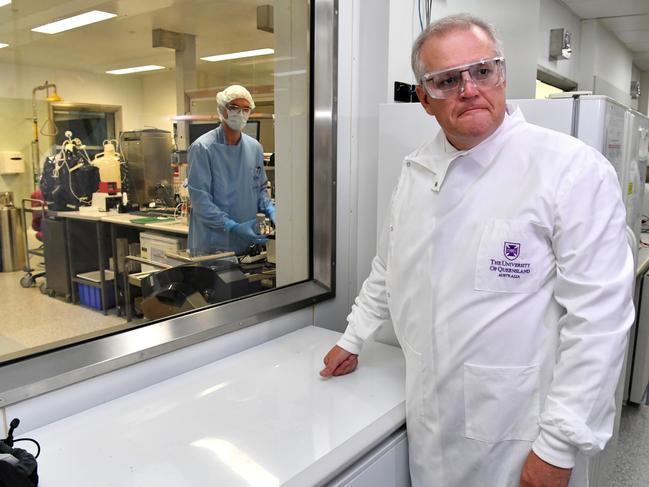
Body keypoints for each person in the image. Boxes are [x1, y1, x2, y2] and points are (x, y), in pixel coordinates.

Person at [320, 13, 634, 487]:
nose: (468, 88)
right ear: (424, 100)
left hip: (521, 432)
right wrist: (354, 335)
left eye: (482, 71)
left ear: (502, 75)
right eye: (447, 80)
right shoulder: (418, 170)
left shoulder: (568, 169)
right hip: (430, 421)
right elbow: (390, 264)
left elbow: (599, 321)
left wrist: (558, 446)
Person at [187, 84, 275, 254]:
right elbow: (200, 201)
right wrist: (232, 226)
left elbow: (261, 189)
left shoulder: (254, 147)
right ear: (223, 110)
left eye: (245, 108)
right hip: (212, 244)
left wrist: (271, 209)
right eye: (234, 107)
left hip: (247, 243)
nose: (240, 113)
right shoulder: (202, 148)